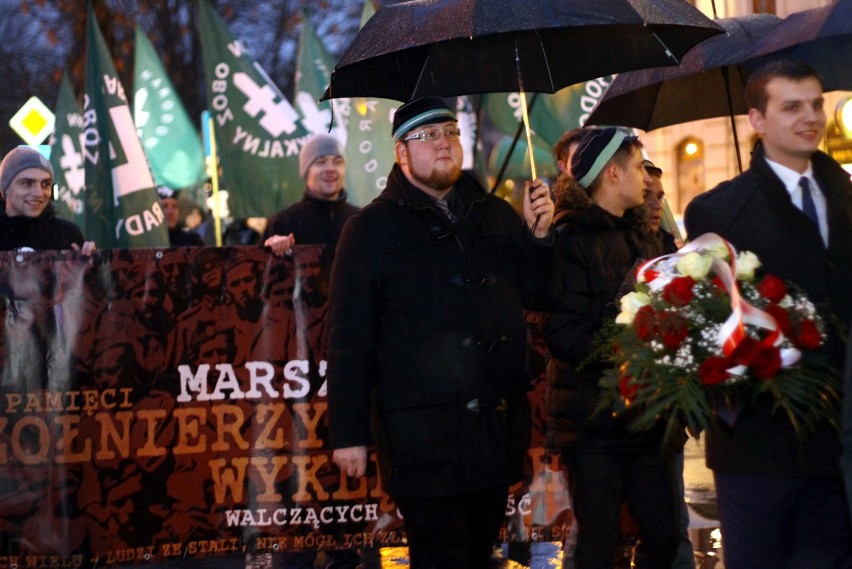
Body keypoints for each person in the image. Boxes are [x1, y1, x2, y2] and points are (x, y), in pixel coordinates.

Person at [326, 96, 558, 569]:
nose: (444, 144)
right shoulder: (368, 230)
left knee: (478, 555)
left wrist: (539, 239)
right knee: (440, 559)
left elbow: (538, 295)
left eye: (450, 132)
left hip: (492, 431)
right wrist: (348, 433)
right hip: (420, 437)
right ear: (401, 153)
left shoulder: (494, 214)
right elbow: (349, 340)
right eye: (427, 136)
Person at [684, 59, 852, 568]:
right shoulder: (717, 211)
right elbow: (705, 324)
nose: (811, 117)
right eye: (791, 106)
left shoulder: (847, 198)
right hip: (757, 446)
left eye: (817, 104)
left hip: (837, 444)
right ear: (757, 119)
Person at [545, 127, 682, 569]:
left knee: (663, 536)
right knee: (599, 546)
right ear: (613, 174)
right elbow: (564, 334)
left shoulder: (649, 236)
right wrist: (631, 343)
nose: (647, 178)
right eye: (640, 167)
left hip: (650, 418)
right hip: (593, 425)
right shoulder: (567, 241)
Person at [262, 133, 358, 255]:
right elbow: (256, 269)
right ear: (306, 172)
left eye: (338, 162)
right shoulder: (282, 224)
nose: (330, 169)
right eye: (321, 162)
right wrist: (268, 252)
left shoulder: (362, 220)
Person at [0, 146, 95, 254]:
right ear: (6, 188)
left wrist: (92, 265)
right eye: (27, 183)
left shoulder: (67, 234)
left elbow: (87, 270)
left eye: (45, 184)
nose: (39, 193)